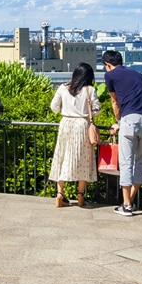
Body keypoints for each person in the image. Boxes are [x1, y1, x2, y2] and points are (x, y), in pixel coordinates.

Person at [102, 50, 142, 217]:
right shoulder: (136, 74)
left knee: (126, 163)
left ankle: (126, 205)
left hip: (129, 120)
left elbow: (114, 101)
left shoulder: (110, 76)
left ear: (107, 64)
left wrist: (118, 122)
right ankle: (129, 201)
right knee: (140, 163)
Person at [48, 62, 99, 208]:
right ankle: (81, 195)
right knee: (84, 158)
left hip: (66, 124)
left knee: (62, 156)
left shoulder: (63, 88)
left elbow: (54, 107)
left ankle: (60, 193)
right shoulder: (89, 90)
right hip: (82, 125)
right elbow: (96, 110)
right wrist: (86, 113)